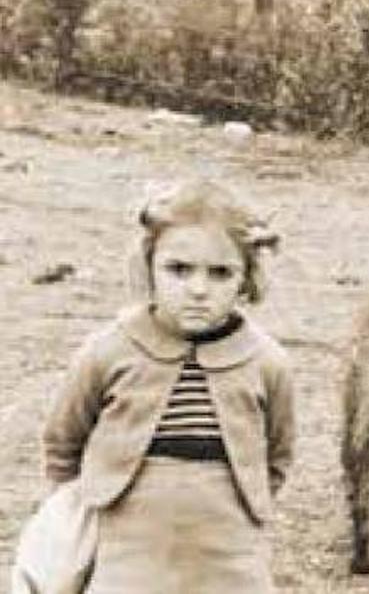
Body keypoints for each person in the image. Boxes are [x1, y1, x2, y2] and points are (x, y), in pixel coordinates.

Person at [35, 180, 292, 593]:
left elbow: (277, 456)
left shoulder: (267, 363)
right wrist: (75, 517)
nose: (198, 289)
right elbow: (63, 443)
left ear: (247, 279)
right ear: (148, 266)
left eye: (220, 273)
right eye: (178, 269)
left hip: (229, 554)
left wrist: (237, 512)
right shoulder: (108, 351)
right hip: (126, 550)